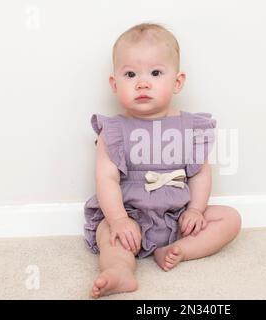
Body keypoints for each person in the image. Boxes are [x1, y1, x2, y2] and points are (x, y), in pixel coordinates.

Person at [83, 23, 241, 299]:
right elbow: (105, 178)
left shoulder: (191, 128)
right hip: (131, 217)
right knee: (107, 233)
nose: (142, 83)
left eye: (156, 73)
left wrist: (195, 210)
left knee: (229, 219)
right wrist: (119, 219)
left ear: (177, 82)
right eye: (130, 74)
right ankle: (120, 269)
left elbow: (200, 174)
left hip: (178, 218)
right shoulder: (114, 131)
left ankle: (179, 250)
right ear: (115, 83)